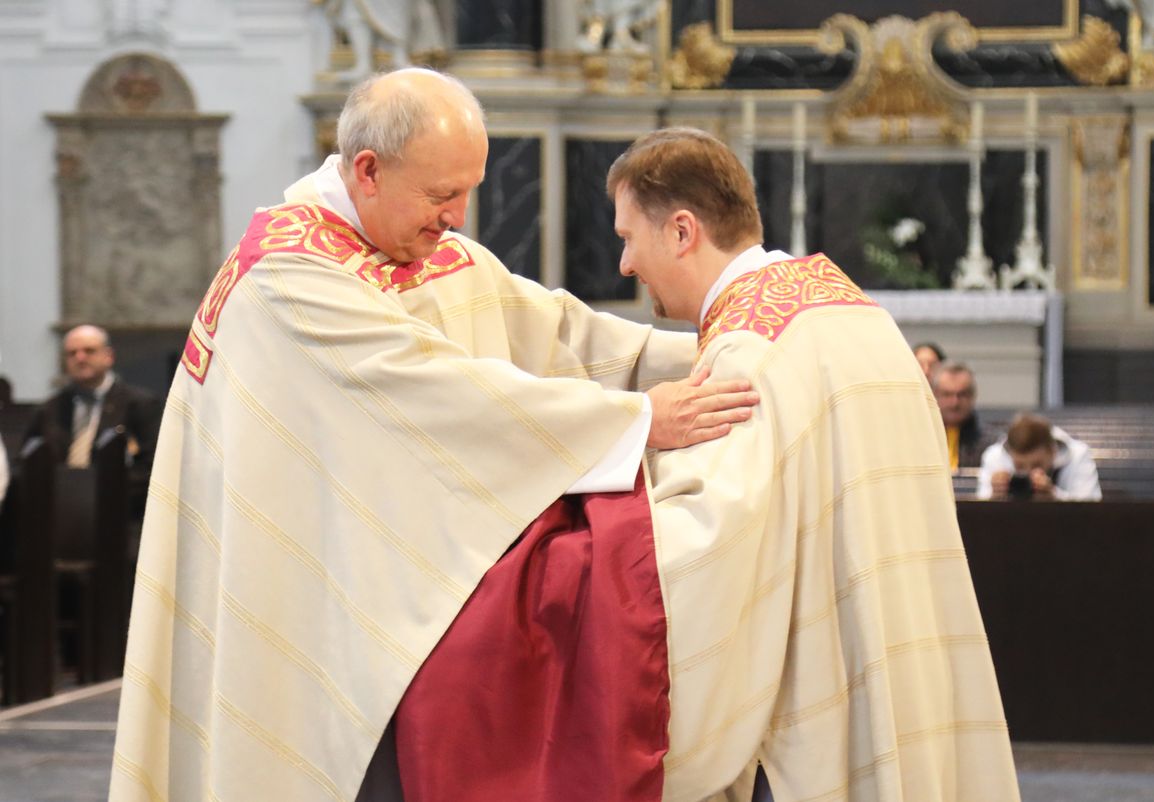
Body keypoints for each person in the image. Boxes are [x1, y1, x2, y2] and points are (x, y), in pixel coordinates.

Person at [109, 70, 757, 802]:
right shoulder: (287, 282)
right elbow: (443, 400)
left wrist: (734, 350)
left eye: (469, 190)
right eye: (442, 194)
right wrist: (640, 420)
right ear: (368, 171)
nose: (458, 215)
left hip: (402, 615)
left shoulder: (418, 245)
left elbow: (565, 337)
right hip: (314, 613)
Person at [600, 127, 1020, 801]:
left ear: (682, 231)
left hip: (807, 710)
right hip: (902, 667)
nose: (625, 263)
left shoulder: (746, 356)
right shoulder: (859, 315)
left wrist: (579, 516)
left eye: (628, 237)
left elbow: (703, 559)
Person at [22, 324, 160, 484]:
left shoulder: (141, 404)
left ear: (109, 356)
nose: (80, 358)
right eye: (72, 353)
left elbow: (152, 465)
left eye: (89, 351)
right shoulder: (48, 409)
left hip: (119, 499)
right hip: (59, 499)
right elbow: (25, 462)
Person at [977, 413, 1102, 501]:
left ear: (1053, 451)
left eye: (1037, 465)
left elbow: (1091, 508)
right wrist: (995, 496)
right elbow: (979, 509)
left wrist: (1054, 497)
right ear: (1010, 454)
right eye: (1019, 466)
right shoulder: (994, 456)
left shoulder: (1078, 455)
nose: (1028, 472)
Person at [931, 359, 993, 470]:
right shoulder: (919, 440)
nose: (954, 403)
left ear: (973, 396)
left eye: (962, 394)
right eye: (947, 394)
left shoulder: (991, 445)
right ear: (934, 395)